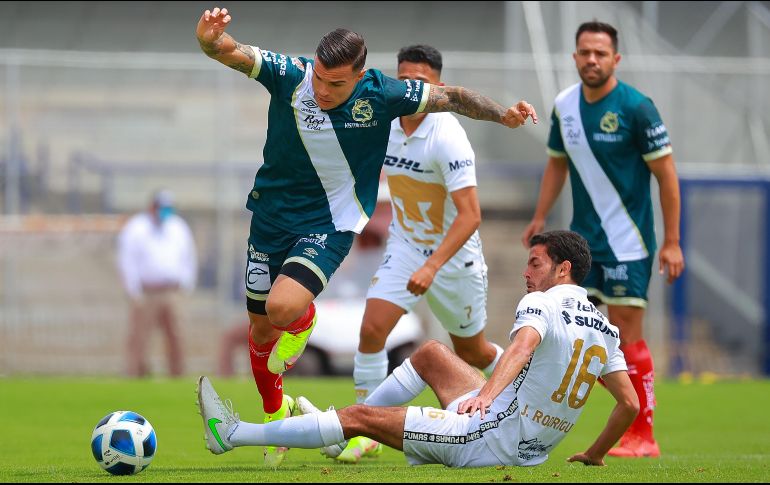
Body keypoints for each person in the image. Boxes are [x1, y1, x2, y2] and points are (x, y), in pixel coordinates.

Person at [195, 6, 537, 467]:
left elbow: (453, 97)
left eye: (336, 83)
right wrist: (208, 40)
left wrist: (505, 116)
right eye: (319, 78)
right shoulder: (291, 74)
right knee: (260, 328)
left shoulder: (384, 94)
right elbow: (229, 52)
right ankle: (275, 414)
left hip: (329, 224)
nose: (321, 90)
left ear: (360, 76)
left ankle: (303, 324)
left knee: (282, 310)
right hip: (269, 218)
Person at [196, 230, 639, 468]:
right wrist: (595, 453)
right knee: (430, 353)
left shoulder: (540, 302)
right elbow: (629, 404)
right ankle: (338, 437)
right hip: (526, 442)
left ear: (563, 269)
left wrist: (484, 398)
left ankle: (233, 435)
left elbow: (522, 348)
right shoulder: (604, 325)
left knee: (358, 417)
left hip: (485, 439)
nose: (526, 272)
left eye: (535, 263)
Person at [520, 21, 685, 458]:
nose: (592, 60)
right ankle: (533, 422)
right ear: (575, 57)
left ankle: (642, 434)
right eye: (585, 53)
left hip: (629, 243)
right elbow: (556, 164)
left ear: (616, 59)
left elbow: (667, 176)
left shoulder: (637, 107)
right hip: (580, 245)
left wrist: (672, 241)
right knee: (563, 329)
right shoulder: (564, 106)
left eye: (601, 53)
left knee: (627, 331)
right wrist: (538, 217)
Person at [339, 45, 505, 463]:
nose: (412, 88)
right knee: (372, 331)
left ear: (440, 87)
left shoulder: (448, 137)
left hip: (454, 259)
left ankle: (526, 382)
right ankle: (366, 430)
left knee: (473, 353)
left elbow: (471, 216)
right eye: (404, 79)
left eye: (422, 81)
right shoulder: (387, 122)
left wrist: (434, 266)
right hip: (406, 245)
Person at [116, 190, 197, 378]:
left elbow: (188, 257)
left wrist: (186, 285)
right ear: (152, 206)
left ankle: (177, 374)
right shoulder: (137, 227)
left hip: (172, 291)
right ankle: (136, 373)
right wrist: (133, 290)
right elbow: (127, 260)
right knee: (140, 336)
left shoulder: (178, 227)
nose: (164, 211)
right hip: (147, 291)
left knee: (177, 335)